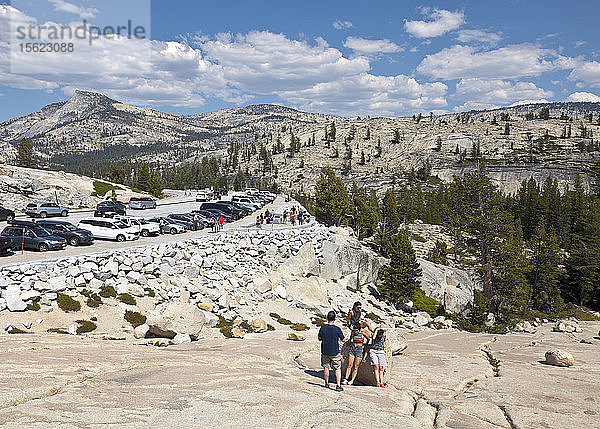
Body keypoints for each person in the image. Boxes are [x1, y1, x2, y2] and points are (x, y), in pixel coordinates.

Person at [318, 311, 345, 391]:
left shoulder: (323, 327)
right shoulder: (337, 329)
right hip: (335, 352)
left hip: (325, 351)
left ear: (327, 318)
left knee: (326, 367)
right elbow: (343, 339)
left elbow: (319, 338)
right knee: (337, 368)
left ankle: (326, 384)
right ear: (335, 319)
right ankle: (338, 385)